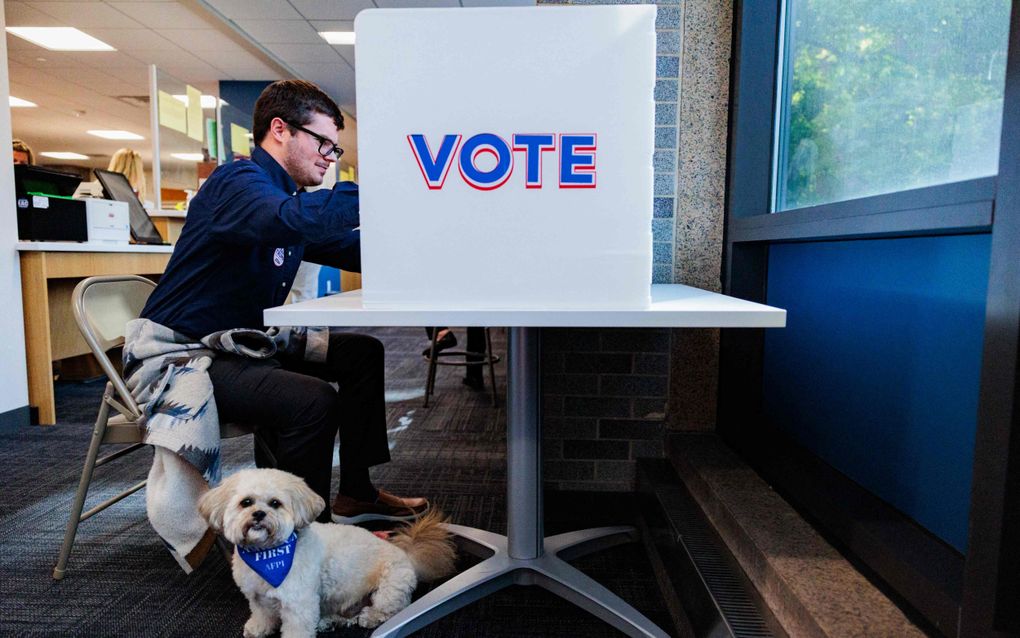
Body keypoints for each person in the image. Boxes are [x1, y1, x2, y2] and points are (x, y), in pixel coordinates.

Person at [139, 79, 427, 525]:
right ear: (280, 129)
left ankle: (356, 492)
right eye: (324, 144)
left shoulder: (283, 199)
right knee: (311, 401)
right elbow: (289, 220)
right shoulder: (236, 183)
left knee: (362, 353)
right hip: (187, 353)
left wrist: (432, 250)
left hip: (239, 344)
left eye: (335, 150)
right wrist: (383, 188)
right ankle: (303, 531)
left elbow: (348, 248)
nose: (330, 159)